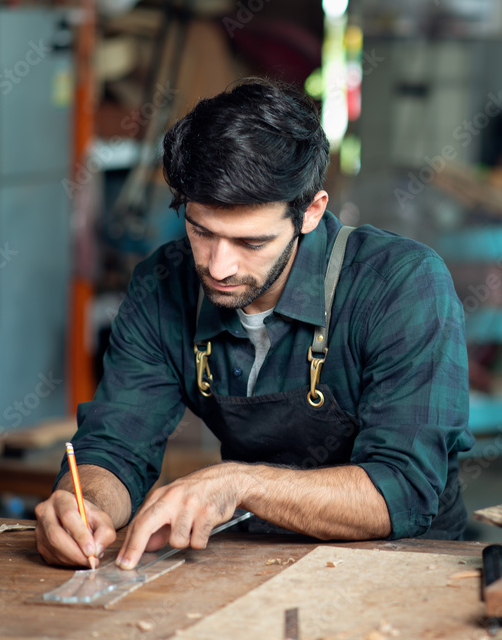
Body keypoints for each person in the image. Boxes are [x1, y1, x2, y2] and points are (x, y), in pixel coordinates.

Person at [35, 78, 473, 571]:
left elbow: (404, 490)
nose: (218, 267)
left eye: (251, 243)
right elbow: (117, 445)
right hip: (253, 558)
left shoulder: (401, 285)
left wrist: (237, 484)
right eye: (202, 231)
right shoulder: (162, 285)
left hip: (404, 565)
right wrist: (86, 502)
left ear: (311, 211)